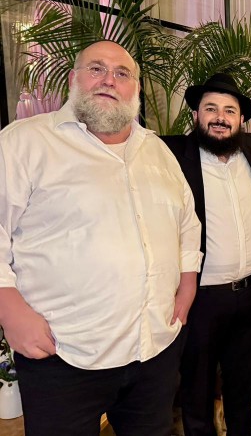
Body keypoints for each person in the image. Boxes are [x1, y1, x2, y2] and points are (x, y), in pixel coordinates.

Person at [0, 40, 202, 436]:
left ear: (136, 89)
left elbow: (186, 223)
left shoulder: (157, 150)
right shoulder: (24, 142)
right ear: (73, 79)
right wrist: (8, 308)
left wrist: (188, 282)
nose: (109, 80)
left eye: (122, 73)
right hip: (62, 354)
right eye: (97, 69)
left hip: (153, 349)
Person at [161, 73, 251, 436]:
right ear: (196, 114)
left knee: (243, 392)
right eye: (211, 108)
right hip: (200, 299)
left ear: (241, 119)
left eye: (229, 110)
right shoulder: (171, 155)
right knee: (196, 393)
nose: (220, 117)